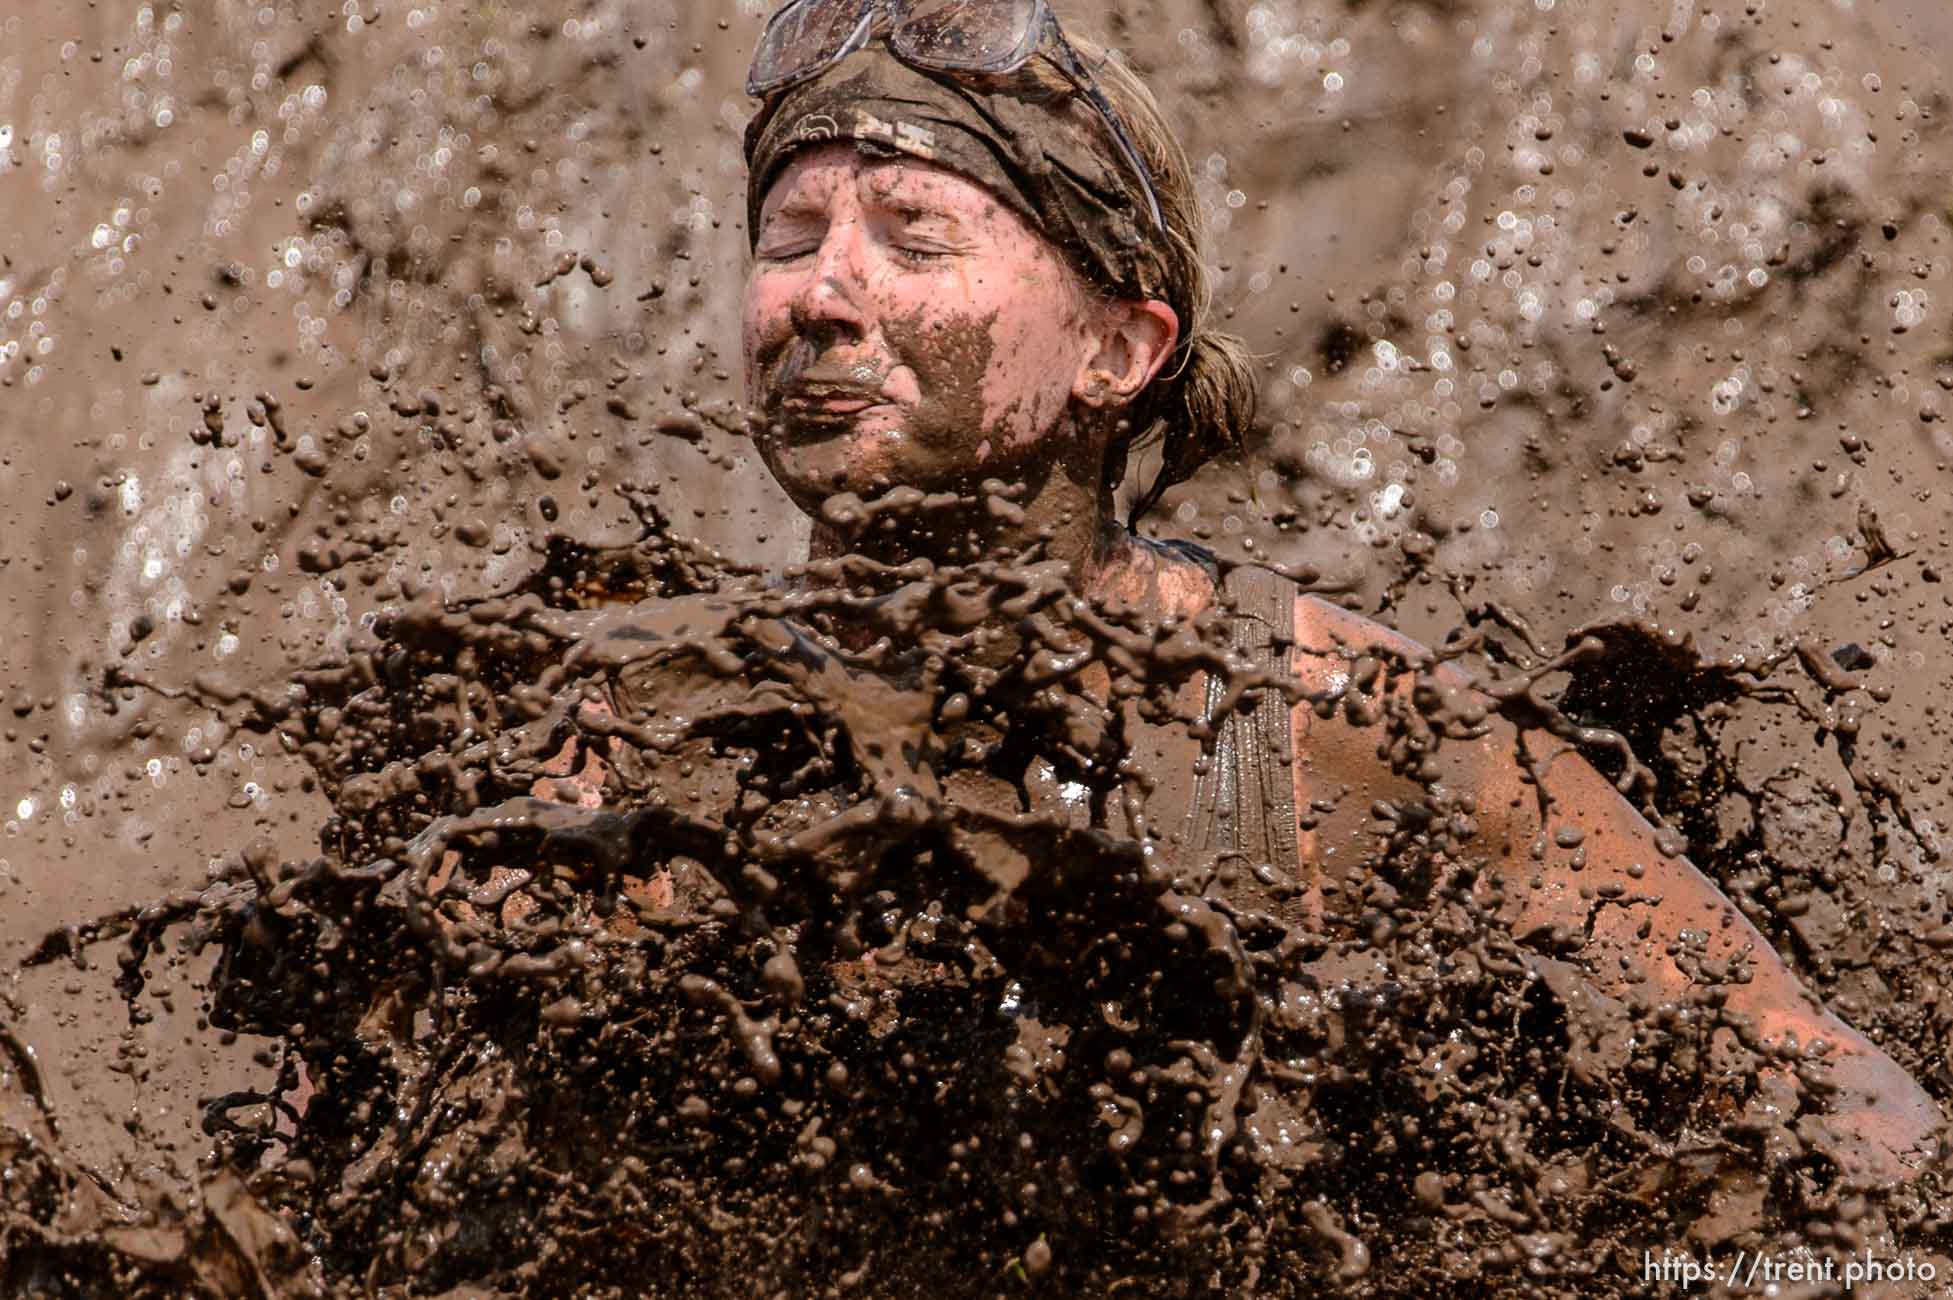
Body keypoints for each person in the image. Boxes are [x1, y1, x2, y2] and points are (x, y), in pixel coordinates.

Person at [702, 0, 1945, 1185]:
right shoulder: (655, 733)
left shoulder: (1323, 725)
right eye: (791, 239)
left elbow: (1818, 1080)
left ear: (1117, 351)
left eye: (914, 238)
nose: (819, 297)